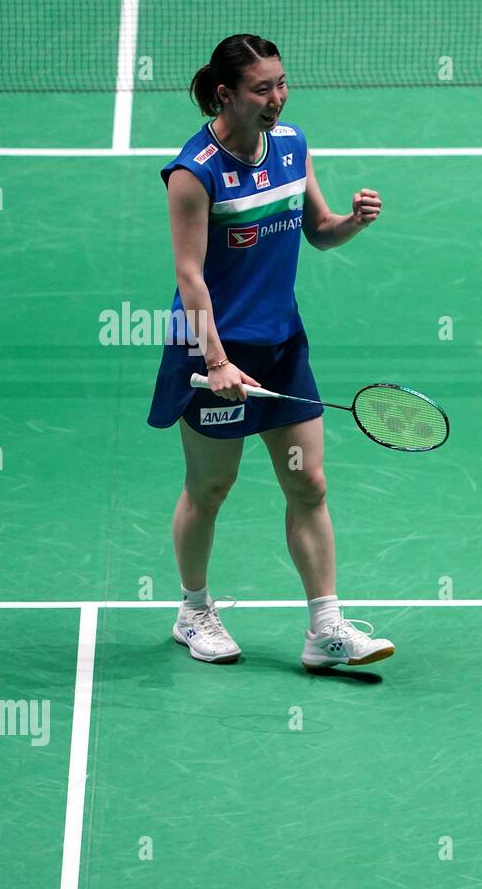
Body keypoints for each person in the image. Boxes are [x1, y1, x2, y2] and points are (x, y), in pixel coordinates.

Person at [147, 34, 393, 671]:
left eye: (281, 83)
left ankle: (326, 629)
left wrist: (353, 223)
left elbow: (318, 231)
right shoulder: (193, 172)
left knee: (308, 483)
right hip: (213, 351)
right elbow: (190, 276)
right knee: (212, 488)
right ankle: (193, 610)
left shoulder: (292, 145)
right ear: (226, 93)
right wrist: (217, 360)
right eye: (262, 88)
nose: (277, 98)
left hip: (282, 345)